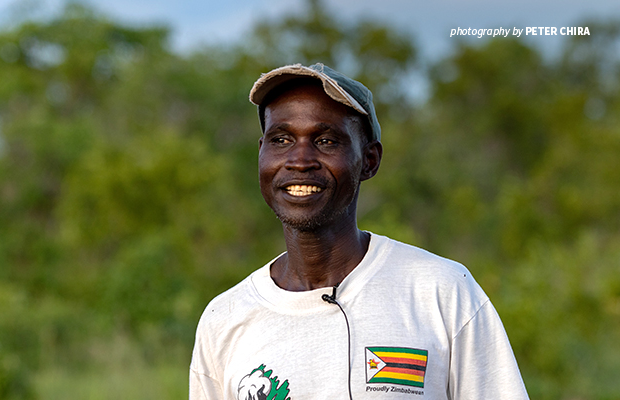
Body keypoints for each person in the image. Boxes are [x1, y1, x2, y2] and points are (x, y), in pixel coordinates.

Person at [189, 63, 529, 399]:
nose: (300, 160)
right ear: (261, 152)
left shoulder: (442, 292)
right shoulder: (225, 319)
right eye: (281, 139)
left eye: (326, 141)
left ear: (369, 160)